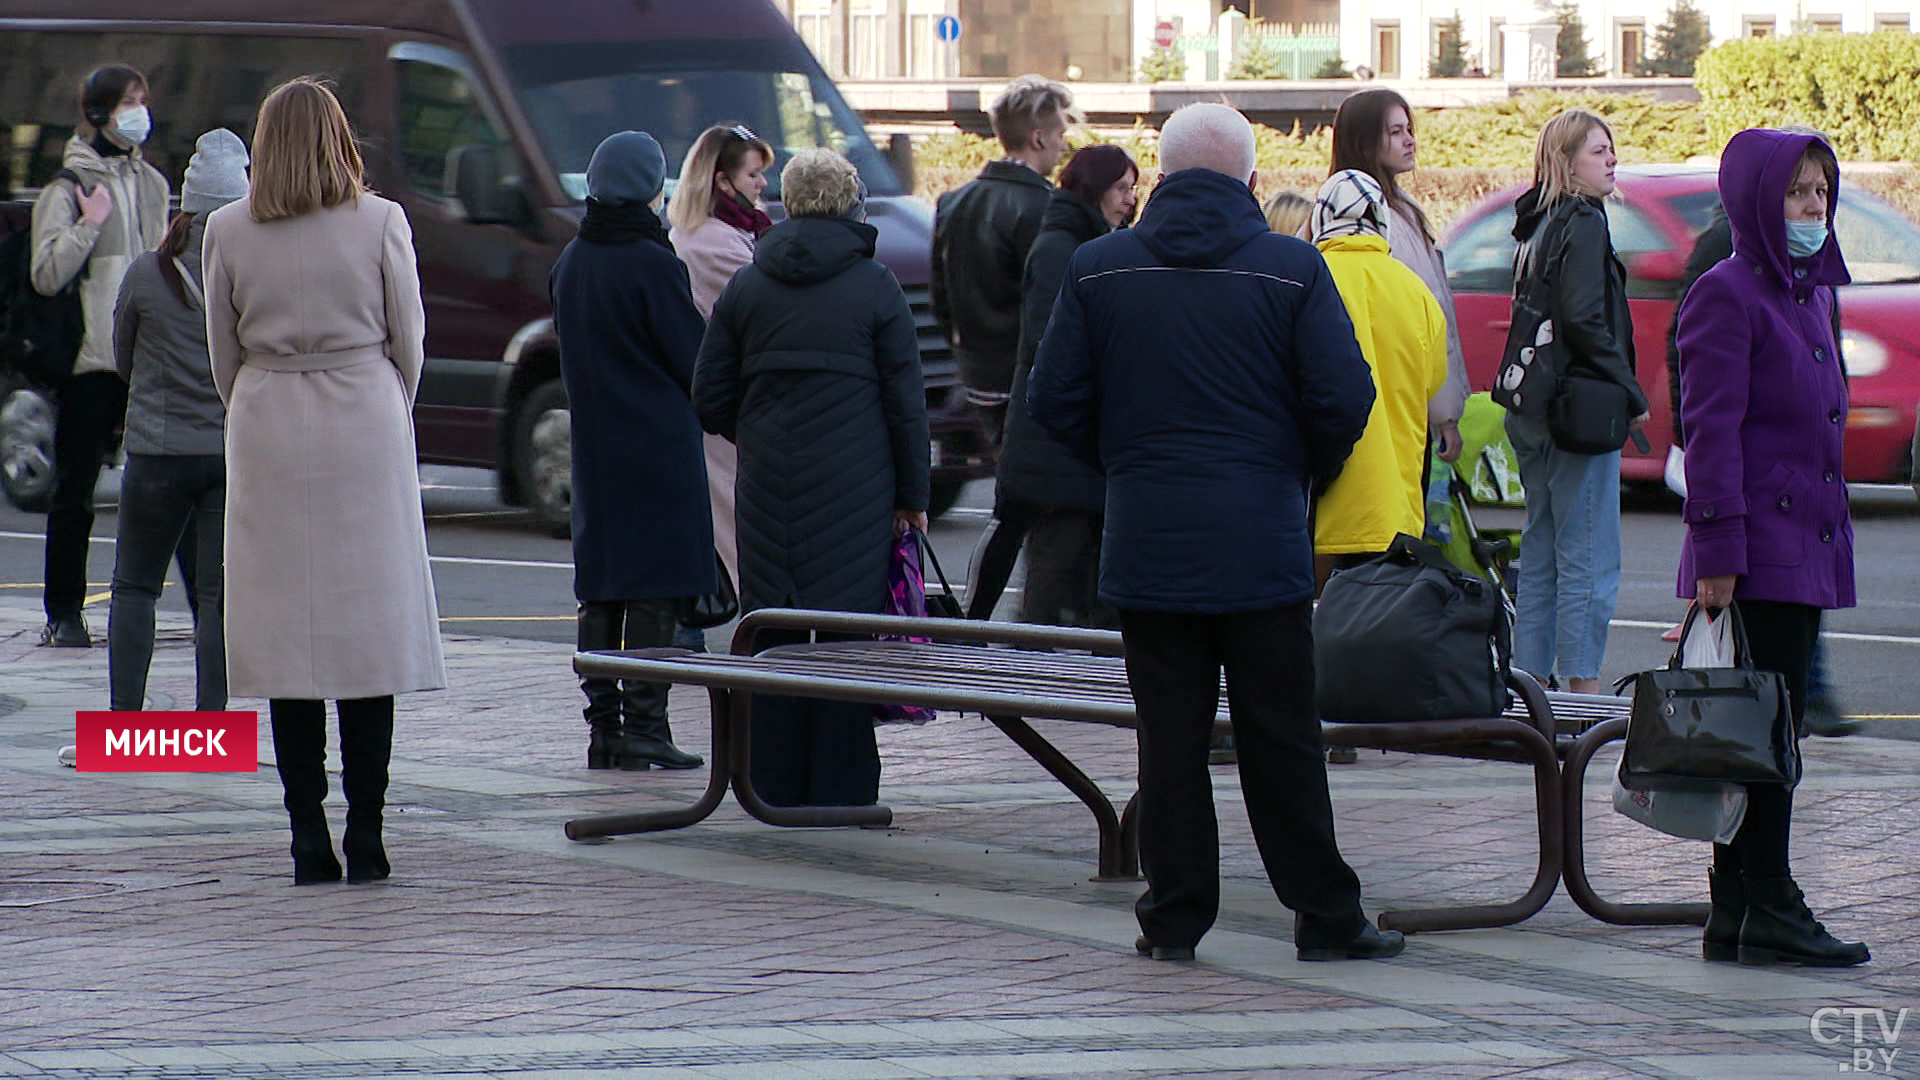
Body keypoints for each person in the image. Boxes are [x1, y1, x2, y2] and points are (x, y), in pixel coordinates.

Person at [1028, 103, 1402, 964]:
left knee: (1169, 745)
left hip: (1148, 545)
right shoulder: (1290, 268)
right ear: (1251, 181)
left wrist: (1127, 462)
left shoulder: (1098, 268)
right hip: (1262, 545)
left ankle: (1174, 918)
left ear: (1158, 179)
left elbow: (1054, 402)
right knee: (1283, 741)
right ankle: (1324, 917)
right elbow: (1344, 398)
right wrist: (1290, 471)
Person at [203, 77, 446, 884]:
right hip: (361, 414)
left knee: (286, 646)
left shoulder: (229, 229)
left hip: (270, 414)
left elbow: (222, 356)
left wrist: (260, 404)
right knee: (364, 643)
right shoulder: (382, 222)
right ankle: (368, 830)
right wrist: (382, 404)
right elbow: (409, 339)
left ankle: (307, 833)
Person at [1675, 128, 1869, 968]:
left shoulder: (1814, 293)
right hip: (1755, 554)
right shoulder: (1728, 293)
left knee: (1759, 735)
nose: (1813, 206)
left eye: (1822, 190)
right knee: (1765, 736)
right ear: (1759, 199)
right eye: (1796, 192)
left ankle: (1741, 910)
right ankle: (1769, 902)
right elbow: (1708, 430)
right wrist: (1717, 551)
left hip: (1806, 542)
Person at [694, 148, 929, 808]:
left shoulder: (750, 283)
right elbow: (905, 401)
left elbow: (709, 394)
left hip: (768, 486)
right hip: (858, 489)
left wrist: (760, 431)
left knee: (773, 630)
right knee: (846, 636)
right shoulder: (874, 284)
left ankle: (771, 782)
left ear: (790, 203)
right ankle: (844, 786)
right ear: (851, 201)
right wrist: (913, 495)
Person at [552, 130, 713, 772]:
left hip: (595, 447)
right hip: (658, 449)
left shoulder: (572, 262)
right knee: (654, 591)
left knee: (603, 588)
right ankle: (647, 724)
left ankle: (605, 730)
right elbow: (692, 359)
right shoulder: (652, 263)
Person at [1505, 108, 1648, 694]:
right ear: (1566, 163)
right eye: (1597, 151)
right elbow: (1587, 321)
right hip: (1579, 410)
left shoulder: (1536, 223)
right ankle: (1582, 689)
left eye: (1611, 148)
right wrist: (1633, 392)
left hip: (1531, 407)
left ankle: (1529, 684)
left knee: (1541, 548)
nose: (1612, 158)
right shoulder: (1585, 222)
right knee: (1588, 555)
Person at [106, 128, 248, 713]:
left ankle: (125, 726)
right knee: (216, 598)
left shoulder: (145, 273)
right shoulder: (248, 277)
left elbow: (122, 356)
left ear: (183, 208)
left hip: (157, 453)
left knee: (135, 587)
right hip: (224, 453)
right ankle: (212, 729)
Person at [29, 64, 169, 648]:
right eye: (126, 102)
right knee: (77, 492)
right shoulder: (69, 187)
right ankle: (64, 611)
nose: (138, 111)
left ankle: (170, 608)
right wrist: (89, 225)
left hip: (147, 362)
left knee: (162, 487)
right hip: (91, 361)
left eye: (142, 100)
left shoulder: (155, 184)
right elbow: (45, 272)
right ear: (96, 113)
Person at [932, 75, 1073, 618]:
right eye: (1060, 130)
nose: (1064, 142)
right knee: (1036, 510)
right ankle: (1024, 624)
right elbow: (1046, 306)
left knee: (1013, 506)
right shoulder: (1045, 210)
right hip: (1023, 378)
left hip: (976, 373)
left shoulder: (954, 200)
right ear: (1037, 137)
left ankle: (982, 617)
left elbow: (943, 300)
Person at [994, 144, 1136, 629]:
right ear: (1093, 188)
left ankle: (1070, 686)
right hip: (1055, 449)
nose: (1130, 200)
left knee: (1081, 583)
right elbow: (1050, 346)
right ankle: (1030, 686)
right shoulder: (1062, 247)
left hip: (1066, 448)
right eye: (1121, 187)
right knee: (1052, 584)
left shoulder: (1083, 242)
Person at [1309, 169, 1448, 580]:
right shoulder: (1414, 289)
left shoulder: (1308, 277)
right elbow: (1432, 382)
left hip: (1316, 502)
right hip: (1392, 504)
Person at [1329, 88, 1469, 466]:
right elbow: (1415, 324)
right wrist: (1444, 414)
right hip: (1385, 411)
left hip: (1406, 408)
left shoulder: (1403, 210)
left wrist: (1445, 413)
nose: (1410, 141)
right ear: (1363, 141)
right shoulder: (1358, 220)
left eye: (1409, 129)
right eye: (1395, 132)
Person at [668, 123, 776, 591]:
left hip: (731, 398)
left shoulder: (732, 232)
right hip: (731, 403)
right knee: (742, 531)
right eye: (754, 174)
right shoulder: (712, 243)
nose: (763, 184)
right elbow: (764, 312)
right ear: (722, 181)